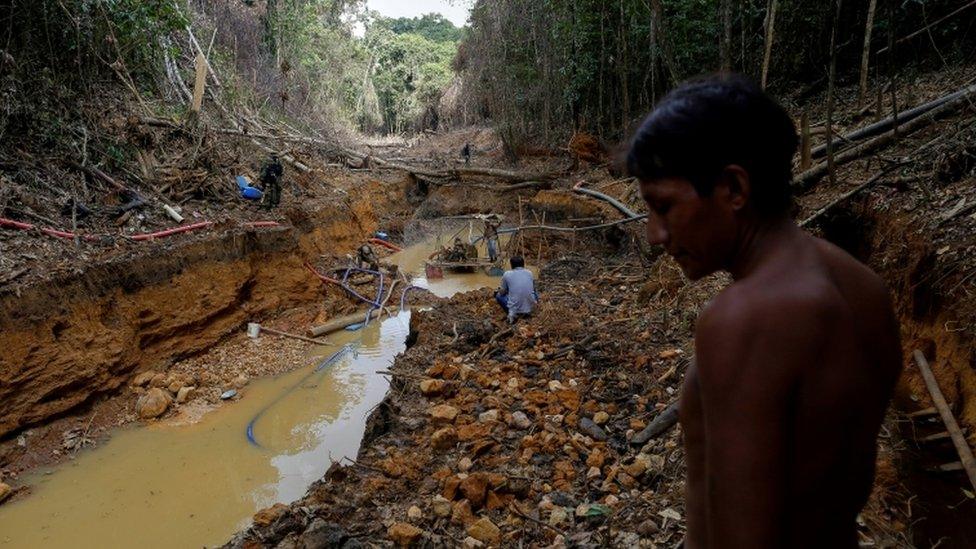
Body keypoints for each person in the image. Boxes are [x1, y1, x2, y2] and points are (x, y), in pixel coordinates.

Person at [626, 75, 901, 549]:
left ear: (734, 188)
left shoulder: (747, 317)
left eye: (664, 207)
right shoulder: (863, 287)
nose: (655, 235)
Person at [495, 256, 538, 324]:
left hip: (515, 310)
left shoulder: (507, 274)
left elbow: (502, 292)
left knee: (498, 296)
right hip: (530, 308)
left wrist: (499, 291)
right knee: (535, 293)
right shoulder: (530, 273)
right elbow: (533, 288)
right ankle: (530, 308)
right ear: (523, 264)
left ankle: (512, 313)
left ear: (511, 265)